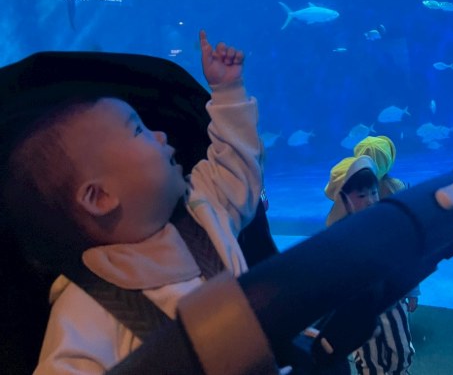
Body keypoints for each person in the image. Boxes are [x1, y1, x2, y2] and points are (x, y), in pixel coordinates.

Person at [2, 30, 263, 374]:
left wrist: (228, 92)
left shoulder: (203, 209)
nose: (161, 134)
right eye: (139, 130)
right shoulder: (86, 309)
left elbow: (237, 165)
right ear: (100, 197)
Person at [330, 155, 415, 375]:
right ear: (342, 199)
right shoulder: (337, 237)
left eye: (374, 192)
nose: (371, 200)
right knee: (369, 358)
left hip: (393, 303)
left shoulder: (385, 225)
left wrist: (412, 290)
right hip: (360, 311)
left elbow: (405, 259)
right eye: (361, 195)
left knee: (402, 350)